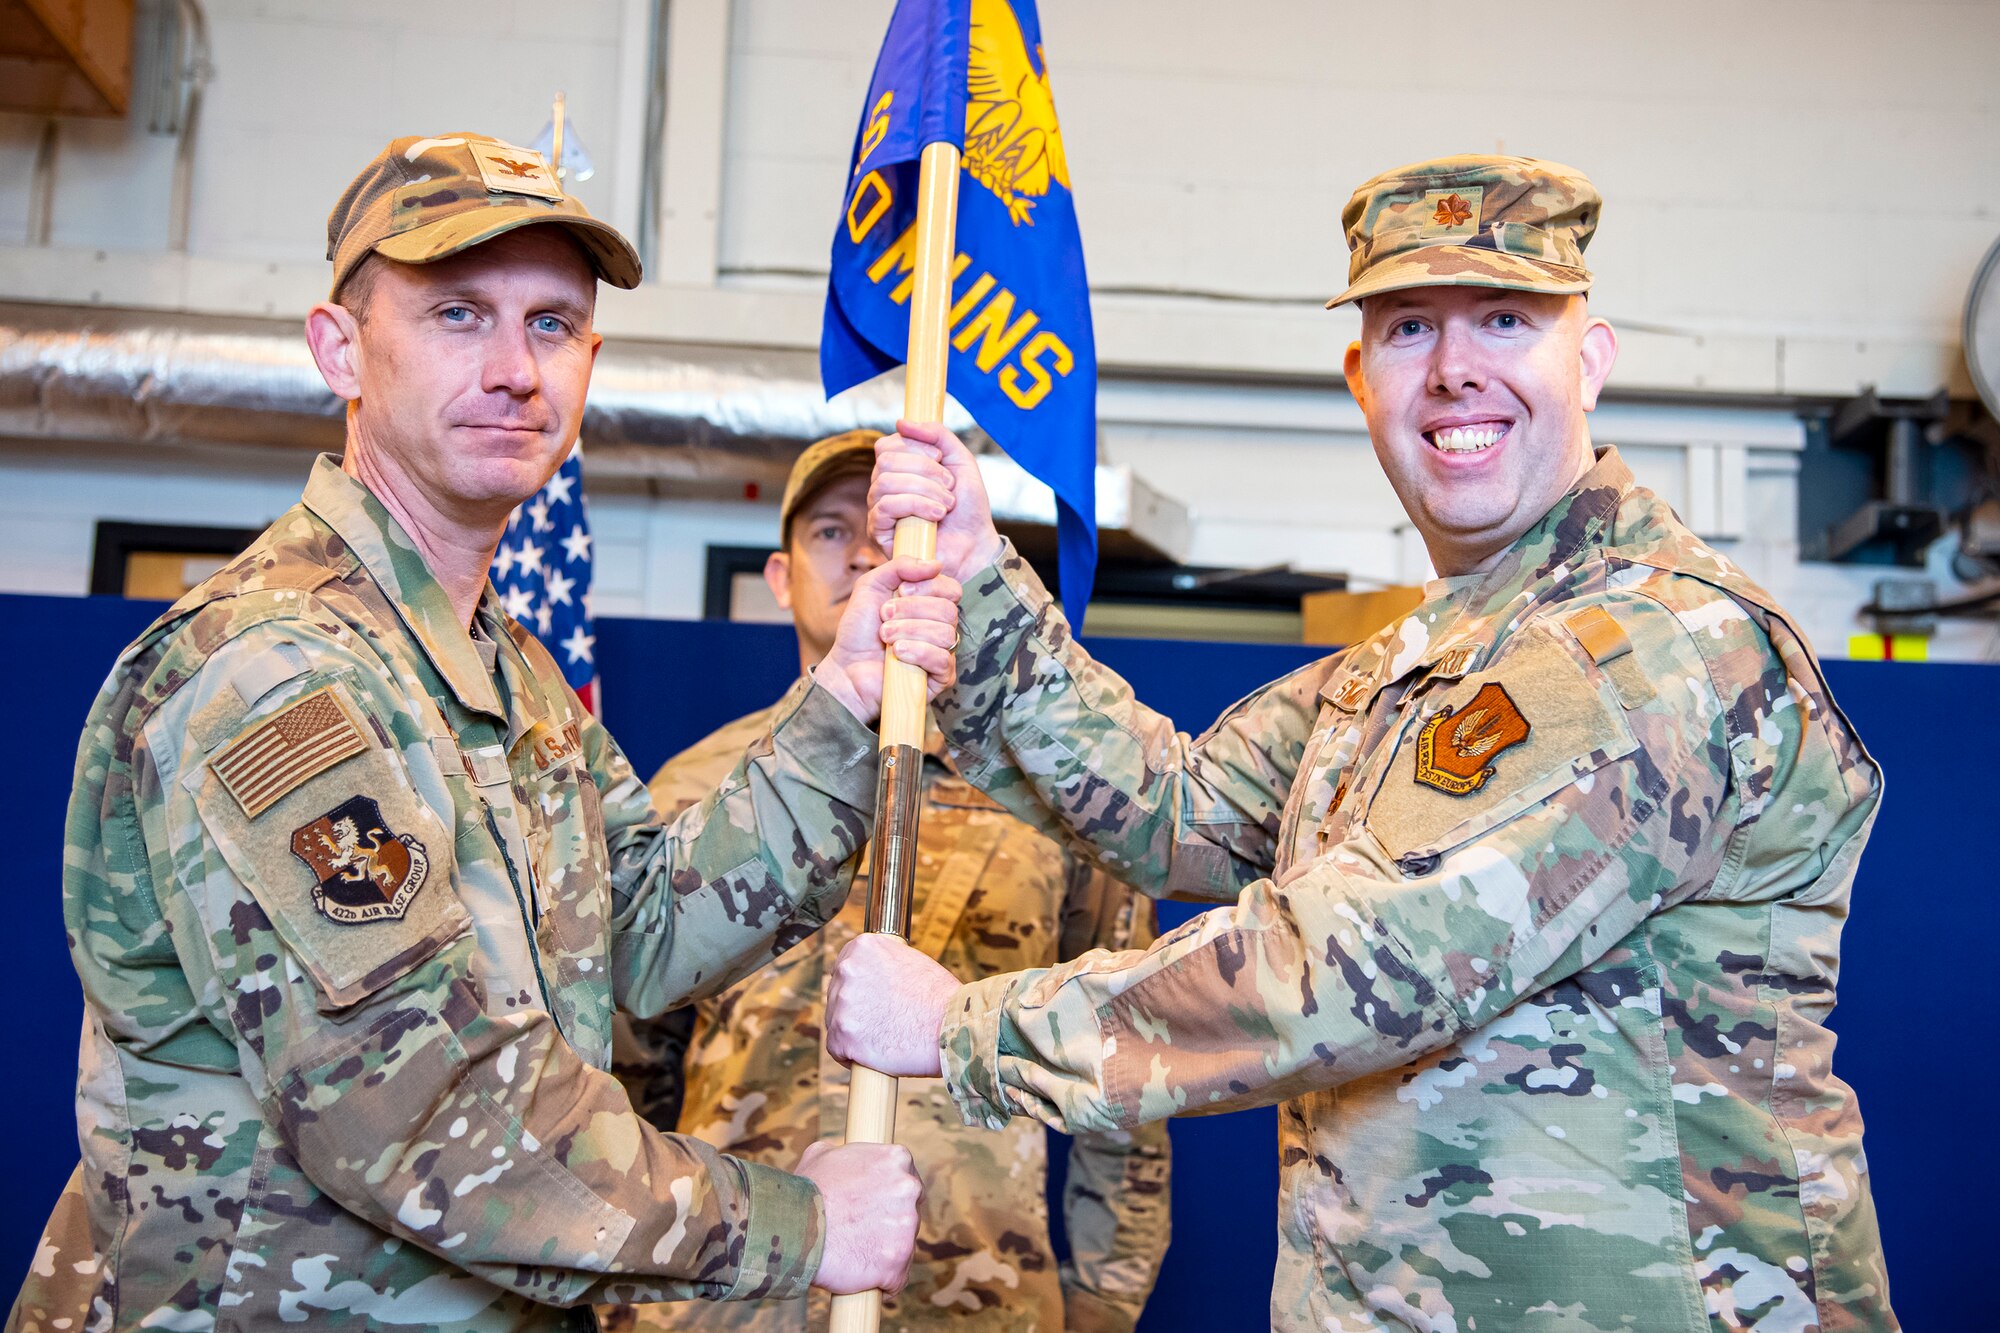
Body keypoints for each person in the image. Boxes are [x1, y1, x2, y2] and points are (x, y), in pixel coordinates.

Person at [828, 156, 1897, 1331]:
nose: (1452, 370)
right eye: (1404, 328)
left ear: (1586, 362)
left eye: (1503, 319)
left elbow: (1347, 966)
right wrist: (980, 583)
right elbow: (1178, 811)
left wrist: (961, 1030)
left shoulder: (1645, 643)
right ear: (1360, 377)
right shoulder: (1419, 660)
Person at [9, 133, 962, 1333]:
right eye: (458, 313)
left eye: (552, 324)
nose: (515, 368)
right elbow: (418, 1108)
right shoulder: (277, 669)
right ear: (338, 347)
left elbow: (646, 932)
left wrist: (843, 701)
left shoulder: (502, 675)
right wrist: (796, 1222)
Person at [601, 432, 1172, 1333]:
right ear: (781, 576)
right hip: (732, 1300)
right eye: (833, 530)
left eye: (901, 523)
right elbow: (629, 1073)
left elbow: (1123, 1073)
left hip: (978, 1295)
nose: (870, 550)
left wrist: (1104, 1300)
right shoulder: (693, 792)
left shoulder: (1040, 797)